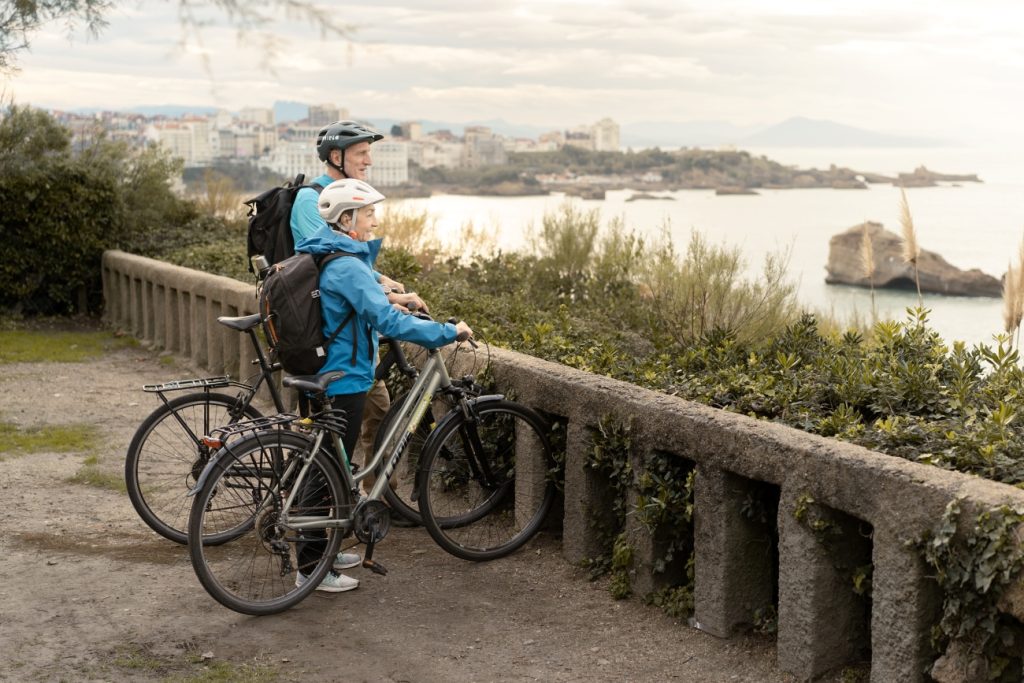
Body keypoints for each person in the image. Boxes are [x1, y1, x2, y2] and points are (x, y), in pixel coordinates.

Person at [293, 178, 473, 592]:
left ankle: (327, 549)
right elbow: (385, 321)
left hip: (329, 371)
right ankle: (311, 568)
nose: (375, 221)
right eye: (369, 214)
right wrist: (447, 332)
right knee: (326, 476)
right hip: (345, 377)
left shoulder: (330, 252)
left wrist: (398, 297)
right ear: (348, 219)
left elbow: (364, 299)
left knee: (334, 468)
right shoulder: (347, 264)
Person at [290, 120, 420, 529]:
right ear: (336, 157)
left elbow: (354, 263)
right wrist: (389, 296)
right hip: (326, 344)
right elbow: (337, 264)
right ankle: (323, 519)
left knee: (370, 415)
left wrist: (383, 285)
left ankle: (360, 505)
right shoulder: (313, 201)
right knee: (330, 444)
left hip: (343, 340)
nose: (369, 160)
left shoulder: (338, 198)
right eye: (362, 154)